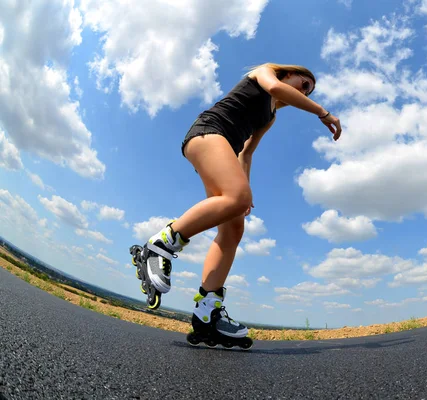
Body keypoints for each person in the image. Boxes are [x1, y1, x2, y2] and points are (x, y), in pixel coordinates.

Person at [134, 62, 342, 344]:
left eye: (310, 91)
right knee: (236, 198)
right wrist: (321, 111)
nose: (305, 93)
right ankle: (160, 246)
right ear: (289, 73)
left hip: (226, 153)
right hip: (208, 132)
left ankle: (208, 312)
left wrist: (246, 191)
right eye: (304, 85)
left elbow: (246, 152)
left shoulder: (270, 117)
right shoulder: (265, 73)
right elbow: (275, 87)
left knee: (233, 230)